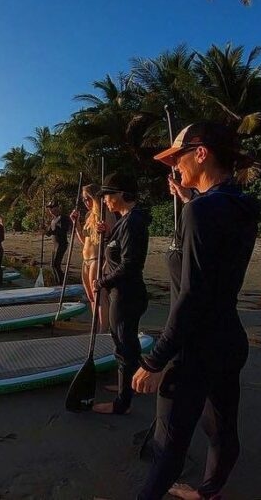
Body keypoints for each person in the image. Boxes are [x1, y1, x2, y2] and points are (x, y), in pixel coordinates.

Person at [132, 123, 260, 500]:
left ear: (201, 153)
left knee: (167, 446)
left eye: (178, 158)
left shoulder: (202, 213)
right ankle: (209, 493)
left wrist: (155, 361)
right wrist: (192, 199)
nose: (174, 169)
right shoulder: (238, 206)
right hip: (228, 340)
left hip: (194, 348)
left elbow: (191, 297)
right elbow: (216, 259)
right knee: (221, 431)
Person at [90, 172, 151, 415]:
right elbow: (118, 251)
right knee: (127, 345)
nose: (104, 200)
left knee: (124, 347)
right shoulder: (125, 220)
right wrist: (109, 232)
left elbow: (129, 265)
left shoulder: (133, 222)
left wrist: (101, 281)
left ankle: (122, 403)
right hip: (123, 293)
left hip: (126, 294)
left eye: (108, 195)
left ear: (123, 195)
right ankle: (127, 383)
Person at [71, 184, 116, 332]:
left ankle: (103, 330)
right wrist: (76, 224)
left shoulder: (106, 213)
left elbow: (113, 237)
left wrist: (106, 230)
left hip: (98, 259)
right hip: (86, 259)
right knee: (91, 297)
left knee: (99, 296)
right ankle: (95, 327)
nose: (85, 202)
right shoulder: (89, 216)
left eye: (88, 199)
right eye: (83, 200)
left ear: (95, 197)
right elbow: (85, 240)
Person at [45, 200, 73, 285]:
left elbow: (63, 230)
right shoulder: (53, 220)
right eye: (50, 209)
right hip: (55, 245)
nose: (51, 211)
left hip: (62, 244)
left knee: (56, 265)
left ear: (57, 208)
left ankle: (62, 283)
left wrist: (53, 231)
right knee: (52, 265)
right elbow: (50, 233)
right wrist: (44, 230)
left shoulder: (63, 218)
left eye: (53, 208)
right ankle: (58, 282)